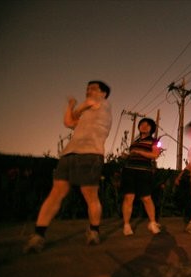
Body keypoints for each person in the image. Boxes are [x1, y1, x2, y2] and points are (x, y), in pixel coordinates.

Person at [24, 80, 112, 253]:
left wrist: (76, 109)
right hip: (69, 153)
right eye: (87, 88)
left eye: (93, 88)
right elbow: (68, 123)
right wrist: (70, 106)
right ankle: (38, 235)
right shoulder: (88, 112)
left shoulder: (102, 103)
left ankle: (94, 232)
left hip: (91, 153)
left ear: (103, 93)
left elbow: (82, 108)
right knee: (57, 192)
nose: (88, 91)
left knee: (90, 195)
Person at [121, 118, 161, 236]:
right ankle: (126, 225)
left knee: (146, 198)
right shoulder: (134, 142)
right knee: (129, 198)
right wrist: (126, 156)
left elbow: (155, 155)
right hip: (129, 171)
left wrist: (139, 152)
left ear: (151, 129)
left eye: (147, 125)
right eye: (142, 124)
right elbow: (132, 156)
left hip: (144, 172)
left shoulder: (154, 141)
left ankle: (152, 223)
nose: (144, 126)